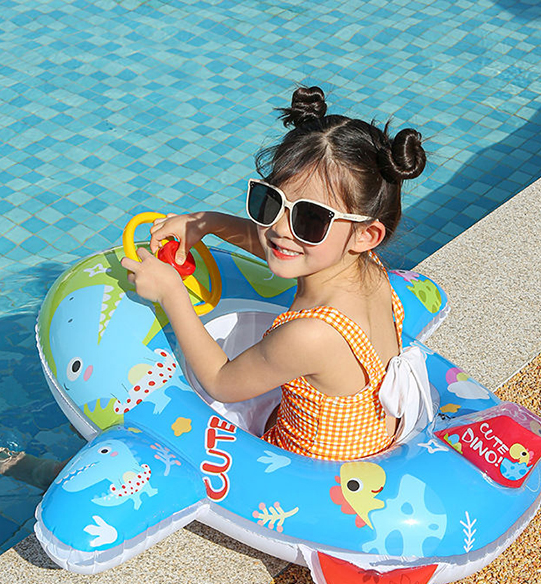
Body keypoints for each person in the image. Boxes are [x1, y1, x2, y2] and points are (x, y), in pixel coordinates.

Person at [121, 85, 427, 461]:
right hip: (358, 432)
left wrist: (171, 293)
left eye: (310, 219)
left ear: (366, 235)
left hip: (304, 468)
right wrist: (209, 222)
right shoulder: (368, 270)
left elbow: (221, 382)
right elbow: (289, 249)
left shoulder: (311, 334)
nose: (279, 228)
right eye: (271, 201)